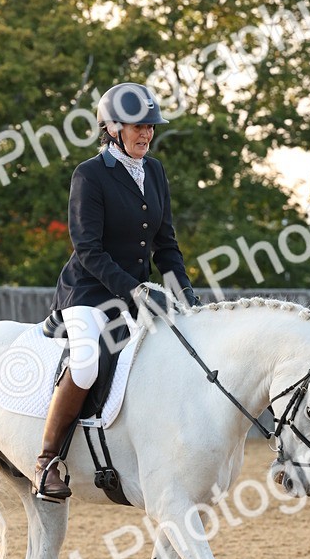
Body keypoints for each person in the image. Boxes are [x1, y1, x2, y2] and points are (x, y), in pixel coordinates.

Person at [34, 81, 198, 500]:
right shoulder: (90, 174)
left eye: (150, 127)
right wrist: (136, 290)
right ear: (112, 128)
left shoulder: (156, 172)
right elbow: (87, 249)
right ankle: (47, 461)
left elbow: (166, 244)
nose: (145, 134)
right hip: (88, 291)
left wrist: (185, 293)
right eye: (137, 126)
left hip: (135, 292)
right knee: (87, 363)